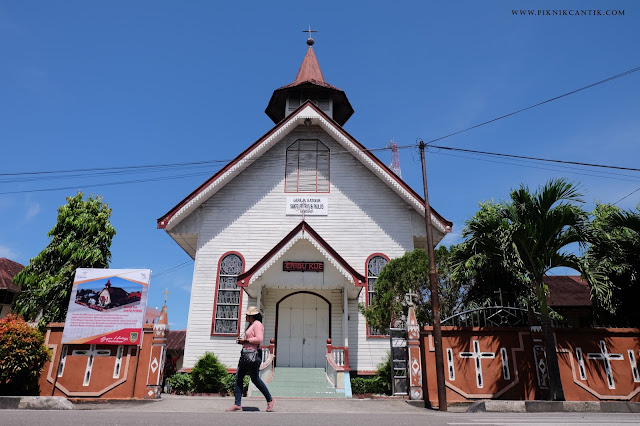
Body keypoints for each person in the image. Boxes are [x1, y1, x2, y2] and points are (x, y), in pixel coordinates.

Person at [225, 306, 276, 412]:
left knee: (255, 379)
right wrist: (242, 341)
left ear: (251, 316)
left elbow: (259, 339)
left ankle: (270, 400)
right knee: (239, 378)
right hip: (246, 355)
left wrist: (246, 340)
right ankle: (237, 404)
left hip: (253, 355)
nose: (245, 317)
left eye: (247, 315)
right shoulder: (251, 325)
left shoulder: (257, 324)